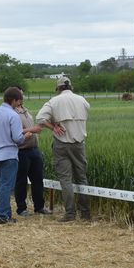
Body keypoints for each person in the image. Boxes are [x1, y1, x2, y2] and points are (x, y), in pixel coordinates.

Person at [36, 76, 91, 222]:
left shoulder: (54, 101)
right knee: (82, 178)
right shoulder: (82, 100)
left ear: (58, 88)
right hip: (79, 144)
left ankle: (70, 214)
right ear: (71, 87)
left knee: (66, 180)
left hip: (62, 144)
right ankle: (85, 213)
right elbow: (87, 112)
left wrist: (53, 126)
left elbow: (40, 118)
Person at [0, 87, 34, 224]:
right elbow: (18, 138)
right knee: (7, 186)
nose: (19, 104)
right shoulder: (13, 115)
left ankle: (4, 213)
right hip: (9, 155)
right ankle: (2, 215)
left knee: (1, 185)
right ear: (14, 100)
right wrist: (27, 136)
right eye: (18, 101)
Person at [14, 88, 51, 216]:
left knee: (38, 179)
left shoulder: (25, 110)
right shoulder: (11, 113)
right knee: (21, 181)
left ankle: (39, 207)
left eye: (22, 94)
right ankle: (21, 208)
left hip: (34, 149)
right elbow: (14, 132)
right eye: (20, 95)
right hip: (21, 150)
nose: (22, 97)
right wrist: (33, 129)